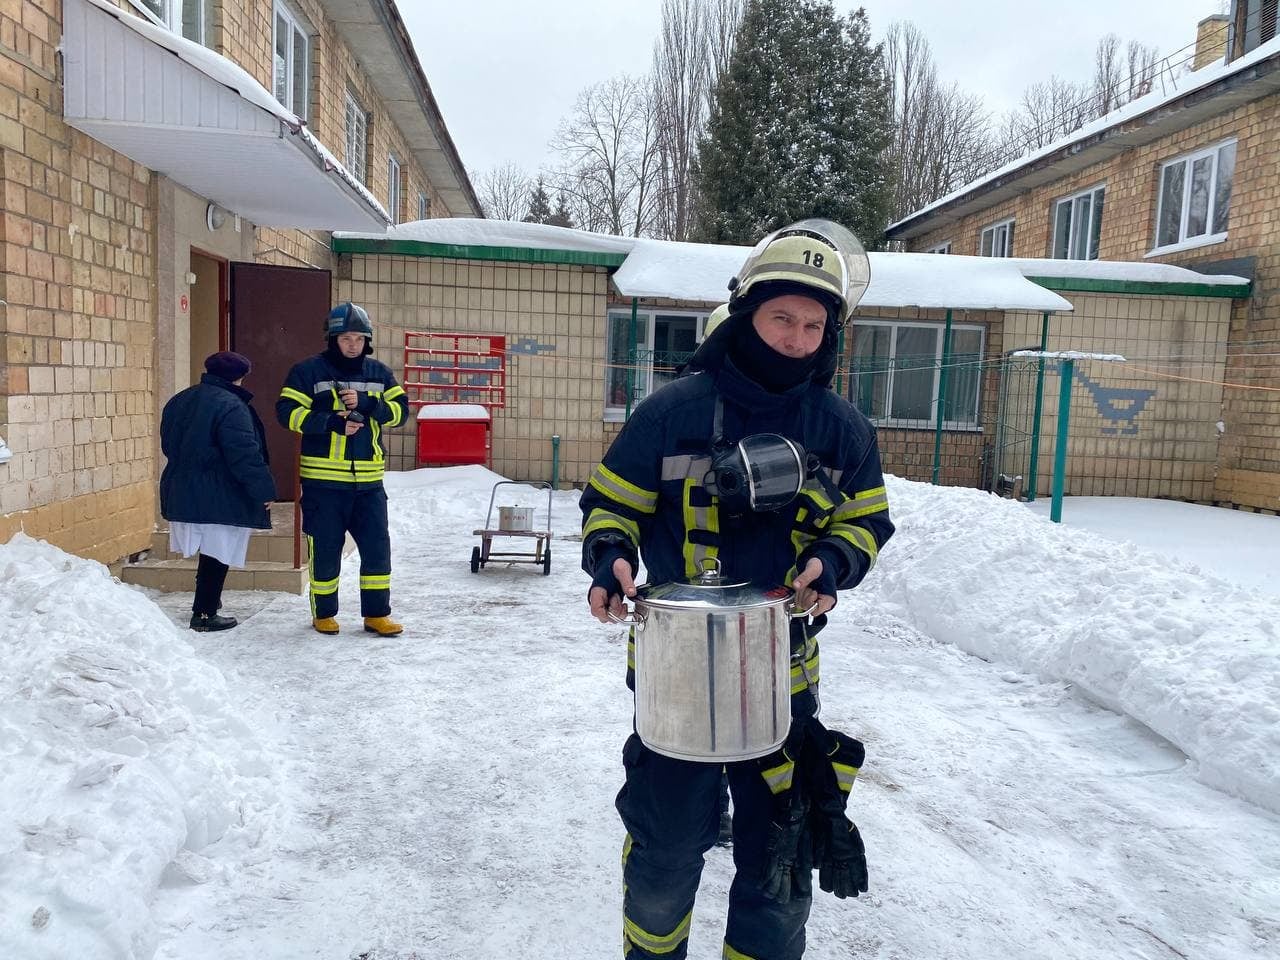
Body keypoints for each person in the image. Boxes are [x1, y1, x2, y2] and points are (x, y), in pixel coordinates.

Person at [580, 219, 895, 959]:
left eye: (814, 325)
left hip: (785, 680)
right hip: (676, 675)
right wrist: (610, 557)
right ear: (748, 312)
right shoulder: (671, 412)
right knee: (665, 850)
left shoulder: (842, 428)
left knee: (778, 860)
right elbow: (612, 503)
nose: (796, 336)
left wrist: (835, 561)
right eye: (782, 316)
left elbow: (867, 520)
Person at [276, 302, 409, 636]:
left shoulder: (378, 373)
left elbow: (402, 412)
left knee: (377, 549)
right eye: (347, 338)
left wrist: (368, 405)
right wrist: (329, 423)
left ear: (367, 341)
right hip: (323, 483)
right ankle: (324, 613)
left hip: (369, 483)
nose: (353, 344)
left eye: (359, 338)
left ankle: (376, 614)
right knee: (326, 550)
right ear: (333, 338)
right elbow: (286, 412)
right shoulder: (308, 371)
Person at [160, 351, 276, 632]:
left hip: (181, 484)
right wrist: (264, 489)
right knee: (217, 552)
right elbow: (244, 454)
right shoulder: (232, 406)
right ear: (240, 377)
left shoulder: (181, 399)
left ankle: (208, 603)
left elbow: (167, 443)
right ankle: (204, 613)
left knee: (211, 550)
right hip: (220, 489)